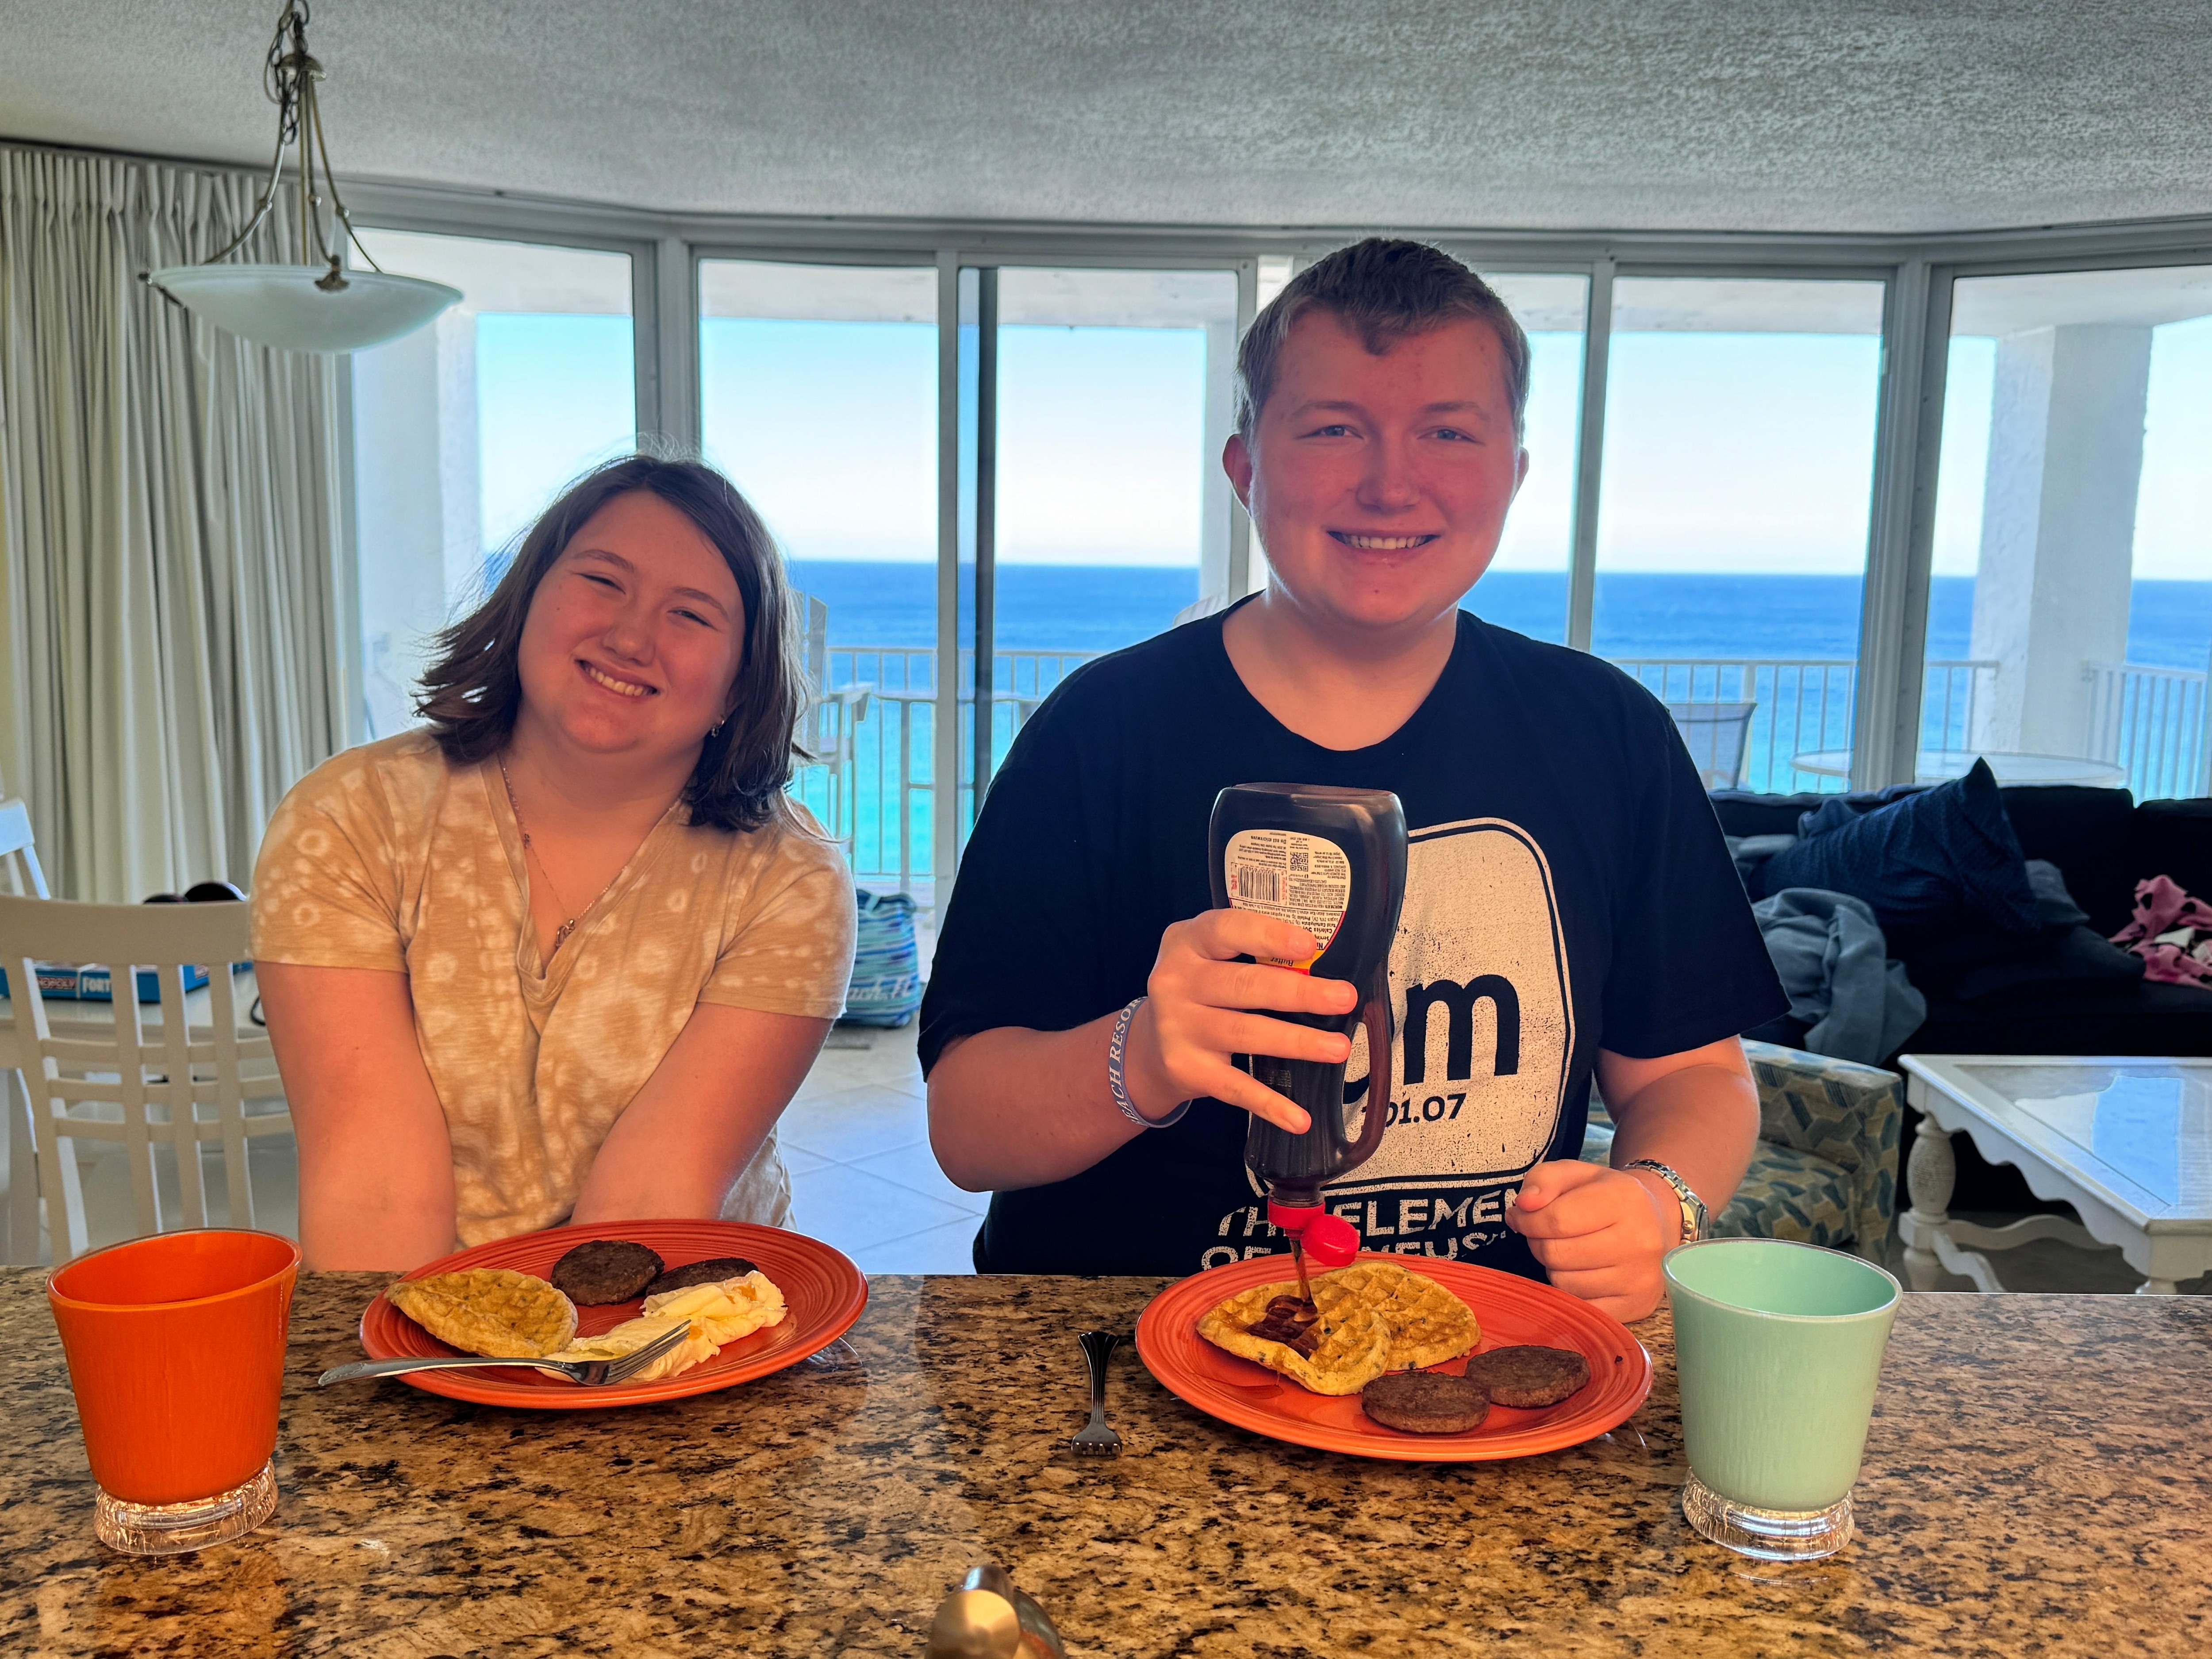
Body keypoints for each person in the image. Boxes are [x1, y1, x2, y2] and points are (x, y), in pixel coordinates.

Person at [922, 240, 1787, 1321]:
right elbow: (965, 1126)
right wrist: (1141, 1052)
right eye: (1333, 429)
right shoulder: (1099, 734)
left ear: (1513, 473)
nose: (1390, 482)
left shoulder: (1610, 736)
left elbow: (1692, 1078)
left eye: (1448, 433)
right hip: (1120, 1364)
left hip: (1482, 1365)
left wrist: (1660, 1204)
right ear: (1246, 470)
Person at [253, 455, 855, 1270]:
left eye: (691, 616)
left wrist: (565, 1379)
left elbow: (645, 1211)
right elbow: (375, 1189)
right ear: (528, 595)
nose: (632, 636)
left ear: (736, 692)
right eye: (603, 581)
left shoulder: (788, 879)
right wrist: (421, 1375)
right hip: (419, 1332)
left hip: (669, 1320)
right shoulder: (350, 819)